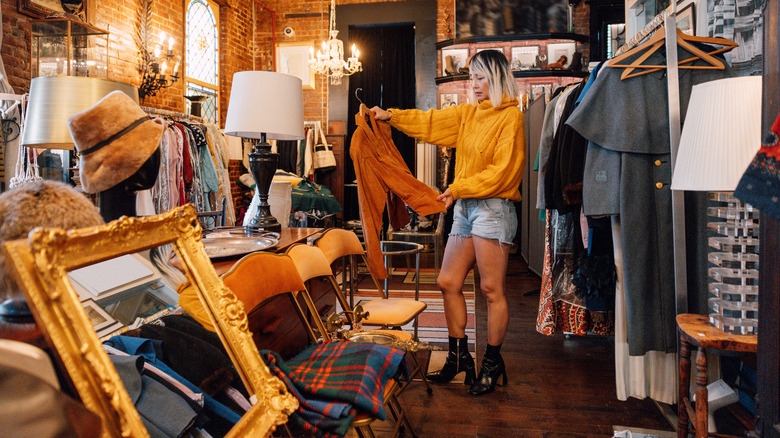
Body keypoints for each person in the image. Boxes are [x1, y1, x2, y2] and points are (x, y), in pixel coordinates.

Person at [371, 49, 524, 396]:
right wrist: (390, 116)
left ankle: (492, 363)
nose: (475, 84)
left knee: (491, 290)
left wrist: (458, 189)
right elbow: (430, 122)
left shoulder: (511, 117)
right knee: (448, 281)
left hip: (492, 208)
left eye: (481, 77)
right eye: (472, 77)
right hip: (465, 207)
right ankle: (459, 358)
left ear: (497, 78)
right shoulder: (468, 114)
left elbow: (503, 172)